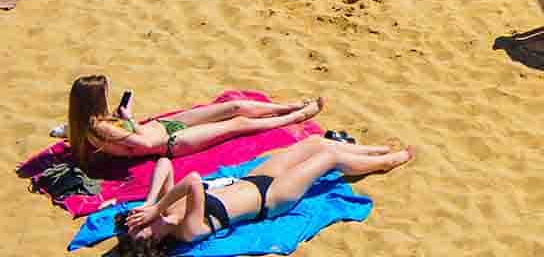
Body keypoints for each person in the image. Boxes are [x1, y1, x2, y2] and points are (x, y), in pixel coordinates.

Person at [111, 134, 411, 255]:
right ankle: (387, 161)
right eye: (141, 230)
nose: (139, 223)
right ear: (155, 239)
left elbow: (163, 163)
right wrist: (158, 207)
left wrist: (151, 203)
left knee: (317, 142)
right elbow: (191, 180)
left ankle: (374, 151)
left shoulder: (164, 210)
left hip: (255, 179)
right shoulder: (187, 230)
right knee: (329, 158)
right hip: (273, 199)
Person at [66, 77, 323, 174]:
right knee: (238, 123)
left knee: (233, 107)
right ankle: (295, 117)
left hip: (164, 126)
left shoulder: (84, 125)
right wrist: (129, 118)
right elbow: (142, 143)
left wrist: (123, 119)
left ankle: (288, 106)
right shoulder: (101, 128)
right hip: (170, 142)